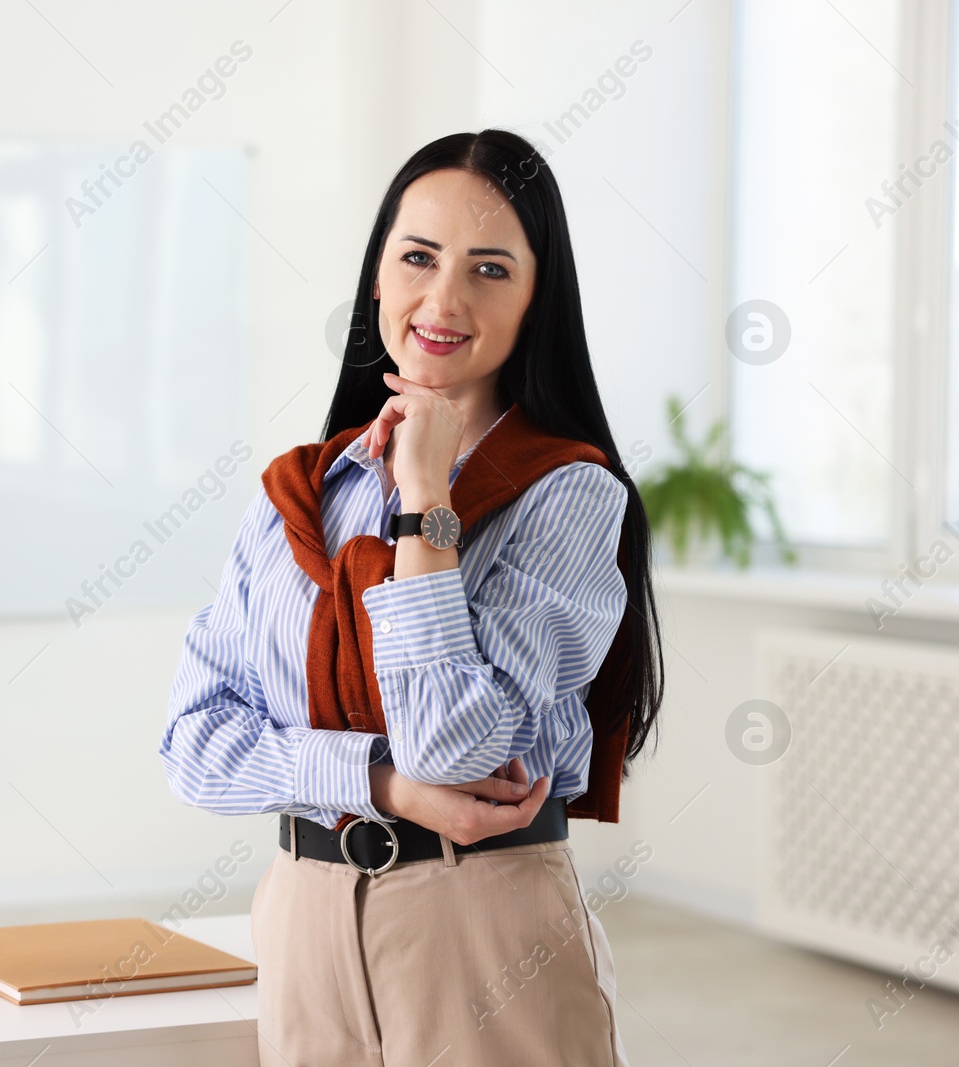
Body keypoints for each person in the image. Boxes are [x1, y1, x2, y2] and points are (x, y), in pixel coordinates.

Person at [158, 128, 664, 1066]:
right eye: (419, 258)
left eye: (489, 269)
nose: (444, 299)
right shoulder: (300, 495)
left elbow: (457, 742)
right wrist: (380, 784)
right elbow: (193, 744)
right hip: (304, 914)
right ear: (378, 278)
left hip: (482, 923)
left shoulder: (570, 494)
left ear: (535, 298)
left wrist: (427, 506)